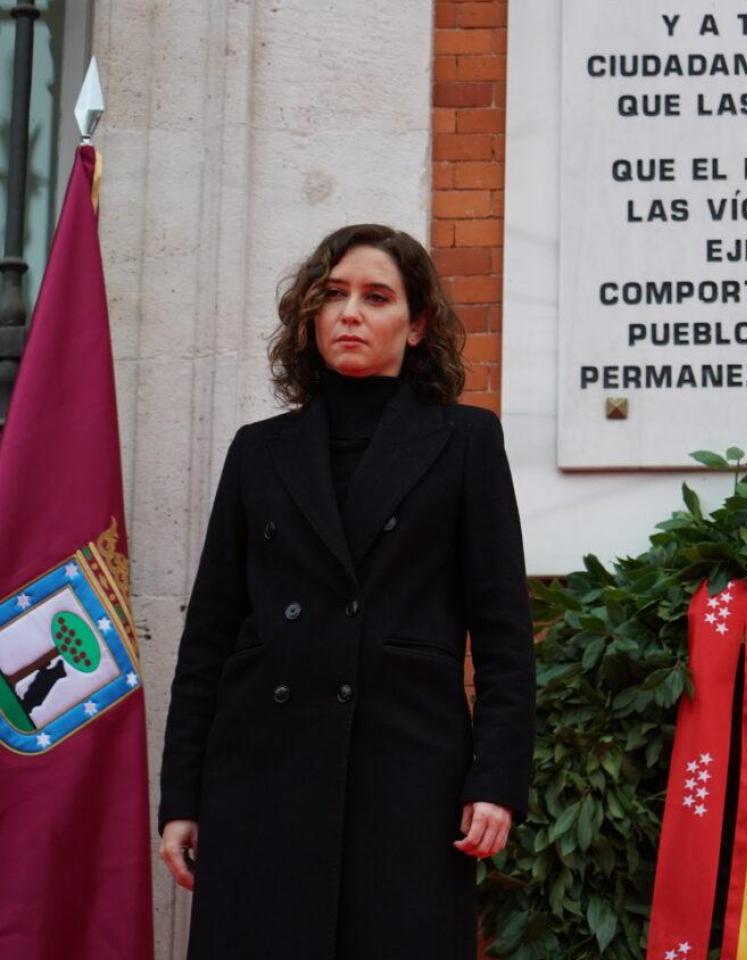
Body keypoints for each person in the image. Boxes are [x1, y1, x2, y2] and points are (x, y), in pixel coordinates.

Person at [157, 223, 535, 959]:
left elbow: (502, 634)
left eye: (376, 296)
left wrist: (496, 780)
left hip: (406, 778)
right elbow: (210, 633)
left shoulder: (465, 443)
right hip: (262, 776)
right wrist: (183, 798)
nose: (350, 313)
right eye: (333, 295)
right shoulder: (258, 451)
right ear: (311, 316)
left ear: (417, 324)